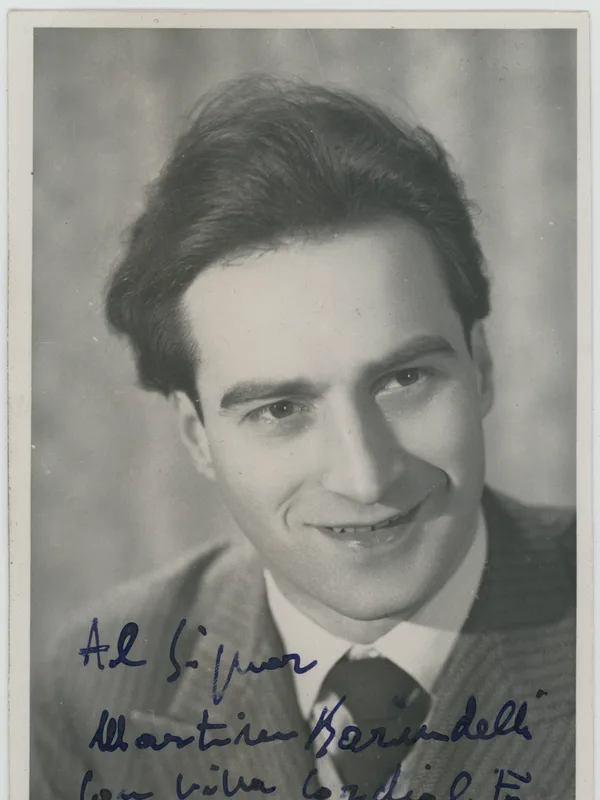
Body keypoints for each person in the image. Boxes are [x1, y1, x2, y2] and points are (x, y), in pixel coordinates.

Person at [31, 75, 575, 800]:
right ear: (198, 437)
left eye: (404, 379)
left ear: (480, 368)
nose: (365, 476)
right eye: (280, 409)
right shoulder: (91, 687)